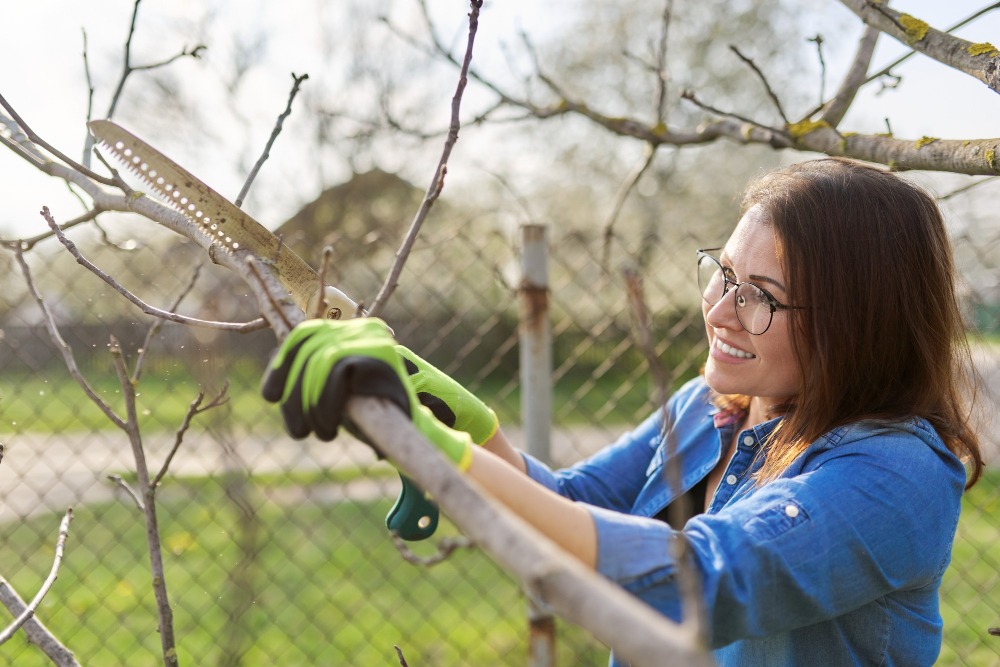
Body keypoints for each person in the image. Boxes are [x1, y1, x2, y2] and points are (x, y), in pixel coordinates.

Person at [261, 157, 985, 666]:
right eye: (724, 273)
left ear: (859, 322)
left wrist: (434, 449)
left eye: (760, 295)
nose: (720, 310)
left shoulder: (896, 477)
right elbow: (571, 510)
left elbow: (699, 580)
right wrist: (464, 422)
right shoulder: (713, 407)